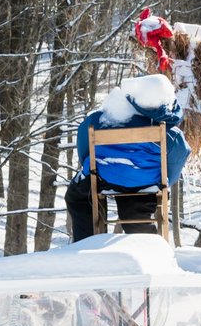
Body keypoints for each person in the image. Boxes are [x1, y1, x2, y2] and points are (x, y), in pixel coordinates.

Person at [64, 75, 190, 241]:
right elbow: (176, 163)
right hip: (146, 184)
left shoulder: (102, 120)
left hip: (105, 177)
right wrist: (163, 181)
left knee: (78, 197)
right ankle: (149, 247)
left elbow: (84, 149)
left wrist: (94, 168)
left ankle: (87, 242)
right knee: (135, 212)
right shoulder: (170, 133)